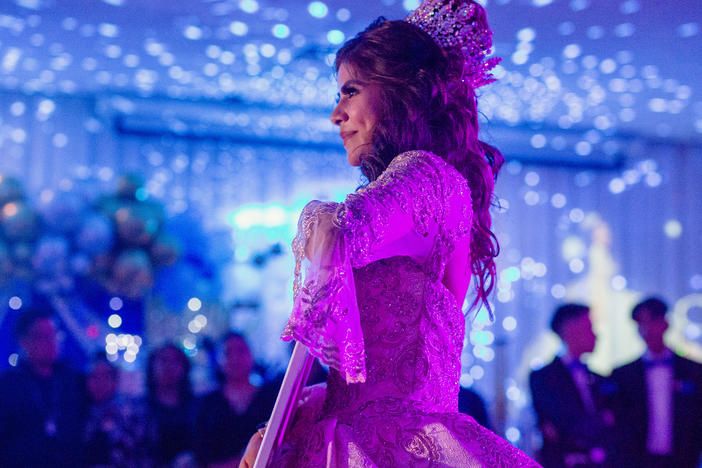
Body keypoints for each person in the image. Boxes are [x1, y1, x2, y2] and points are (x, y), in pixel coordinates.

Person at [240, 0, 537, 466]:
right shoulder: (431, 184)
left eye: (350, 91)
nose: (336, 115)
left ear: (403, 92)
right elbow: (361, 386)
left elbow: (337, 232)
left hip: (392, 445)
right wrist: (282, 422)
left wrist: (319, 224)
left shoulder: (426, 176)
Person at [610, 297, 702, 468]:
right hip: (637, 460)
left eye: (652, 322)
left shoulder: (694, 371)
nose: (647, 330)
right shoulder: (623, 375)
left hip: (685, 459)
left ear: (666, 324)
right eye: (640, 324)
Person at [529, 304, 615, 468]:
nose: (595, 335)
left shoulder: (599, 378)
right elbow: (563, 422)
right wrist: (603, 420)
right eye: (589, 327)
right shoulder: (544, 378)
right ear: (570, 330)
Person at [0, 306, 86, 467]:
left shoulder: (73, 380)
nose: (51, 341)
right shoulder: (8, 385)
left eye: (54, 334)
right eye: (42, 336)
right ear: (23, 341)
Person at [194, 332, 280, 467]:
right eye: (228, 353)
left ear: (251, 355)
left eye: (241, 351)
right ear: (219, 359)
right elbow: (200, 448)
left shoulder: (271, 396)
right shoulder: (207, 403)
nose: (235, 358)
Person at [83, 352, 151, 467]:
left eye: (105, 377)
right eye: (94, 377)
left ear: (115, 381)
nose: (99, 383)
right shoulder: (84, 411)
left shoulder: (131, 411)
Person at [146, 343, 198, 467]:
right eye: (163, 360)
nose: (169, 366)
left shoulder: (198, 407)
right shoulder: (138, 410)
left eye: (175, 361)